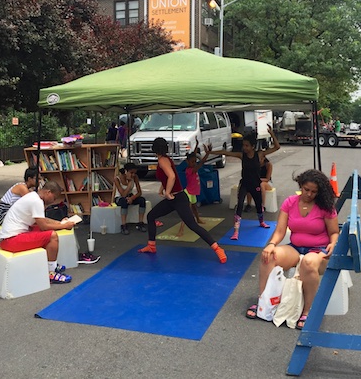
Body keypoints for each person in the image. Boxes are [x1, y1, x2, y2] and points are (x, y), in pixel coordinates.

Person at [245, 169, 339, 329]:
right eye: (306, 189)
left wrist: (333, 243)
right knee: (269, 256)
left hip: (318, 250)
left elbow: (334, 232)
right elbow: (280, 231)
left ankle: (307, 312)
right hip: (296, 247)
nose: (309, 194)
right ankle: (263, 301)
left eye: (314, 192)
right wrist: (271, 244)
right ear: (300, 186)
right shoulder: (290, 202)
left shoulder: (325, 207)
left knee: (308, 263)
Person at [138, 137, 227, 264]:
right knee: (151, 216)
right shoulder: (165, 159)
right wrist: (162, 188)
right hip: (173, 198)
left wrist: (167, 192)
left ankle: (217, 248)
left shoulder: (163, 160)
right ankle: (151, 245)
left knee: (192, 225)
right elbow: (167, 177)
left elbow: (172, 176)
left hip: (178, 198)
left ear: (154, 148)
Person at [207, 126, 280, 240]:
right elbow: (225, 152)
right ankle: (236, 231)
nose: (244, 147)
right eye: (243, 145)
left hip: (256, 185)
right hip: (244, 184)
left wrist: (272, 134)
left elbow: (277, 147)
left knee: (259, 206)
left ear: (252, 146)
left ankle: (261, 222)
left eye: (246, 145)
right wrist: (210, 151)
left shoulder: (259, 155)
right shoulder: (242, 155)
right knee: (240, 204)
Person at [0, 180, 75, 283]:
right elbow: (44, 226)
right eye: (54, 197)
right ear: (48, 192)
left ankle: (50, 264)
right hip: (10, 240)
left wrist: (60, 223)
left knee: (44, 231)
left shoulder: (33, 197)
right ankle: (51, 273)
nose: (53, 201)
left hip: (9, 238)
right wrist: (64, 226)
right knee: (52, 236)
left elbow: (42, 220)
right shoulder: (36, 201)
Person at [177, 138, 209, 237]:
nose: (194, 163)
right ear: (187, 162)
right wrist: (208, 153)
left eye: (195, 162)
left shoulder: (191, 164)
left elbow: (193, 156)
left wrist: (197, 145)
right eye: (192, 162)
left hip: (193, 192)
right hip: (188, 192)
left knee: (194, 207)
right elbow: (201, 162)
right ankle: (181, 229)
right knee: (187, 211)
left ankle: (198, 219)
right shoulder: (191, 170)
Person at [114, 163, 147, 235]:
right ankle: (123, 225)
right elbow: (123, 194)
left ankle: (140, 223)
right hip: (119, 197)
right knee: (124, 201)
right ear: (126, 171)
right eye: (131, 173)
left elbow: (139, 192)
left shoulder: (135, 177)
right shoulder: (117, 179)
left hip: (130, 196)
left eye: (134, 173)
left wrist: (132, 198)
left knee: (142, 200)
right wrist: (129, 184)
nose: (133, 175)